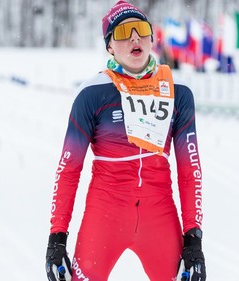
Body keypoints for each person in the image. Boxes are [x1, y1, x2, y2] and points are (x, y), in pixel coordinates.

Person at [45, 1, 206, 280]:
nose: (134, 38)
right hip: (105, 215)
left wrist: (193, 238)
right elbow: (68, 169)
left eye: (141, 30)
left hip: (159, 218)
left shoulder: (178, 94)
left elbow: (189, 170)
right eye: (122, 33)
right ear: (109, 46)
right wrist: (56, 238)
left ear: (152, 38)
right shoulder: (93, 94)